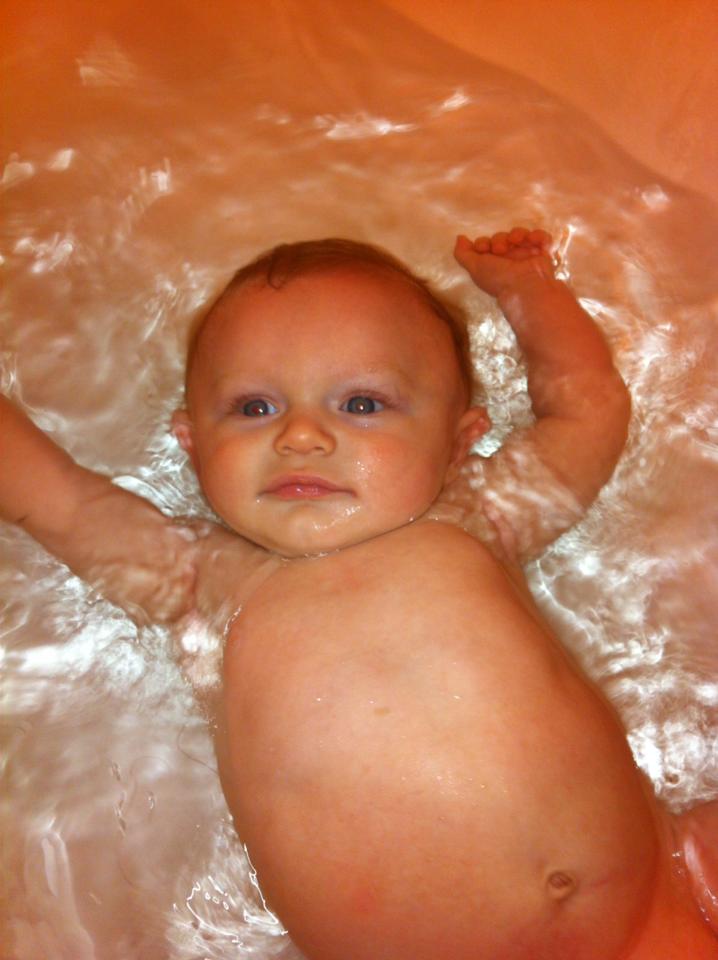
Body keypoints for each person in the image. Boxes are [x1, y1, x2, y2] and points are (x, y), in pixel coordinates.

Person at [1, 227, 716, 960]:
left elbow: (588, 408)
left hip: (671, 897)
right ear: (192, 442)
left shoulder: (481, 517)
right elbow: (59, 502)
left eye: (363, 404)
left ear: (458, 441)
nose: (301, 435)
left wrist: (527, 290)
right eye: (254, 408)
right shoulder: (196, 582)